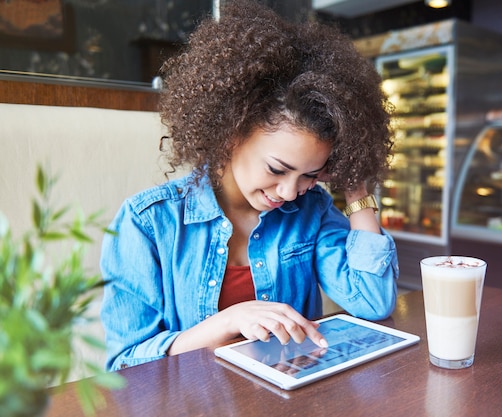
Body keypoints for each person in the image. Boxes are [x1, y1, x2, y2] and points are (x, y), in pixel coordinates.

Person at [100, 0, 398, 372]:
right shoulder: (147, 223)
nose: (290, 192)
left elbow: (374, 302)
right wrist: (227, 321)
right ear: (230, 135)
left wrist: (357, 186)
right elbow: (125, 364)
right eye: (277, 169)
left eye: (309, 174)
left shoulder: (313, 210)